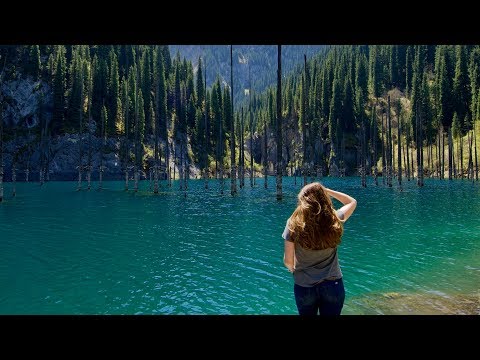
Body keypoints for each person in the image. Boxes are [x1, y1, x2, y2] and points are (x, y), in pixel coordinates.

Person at [282, 182, 357, 315]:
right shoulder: (334, 219)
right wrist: (327, 191)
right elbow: (352, 202)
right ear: (324, 198)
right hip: (333, 285)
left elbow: (288, 261)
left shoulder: (293, 224)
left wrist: (297, 271)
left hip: (304, 286)